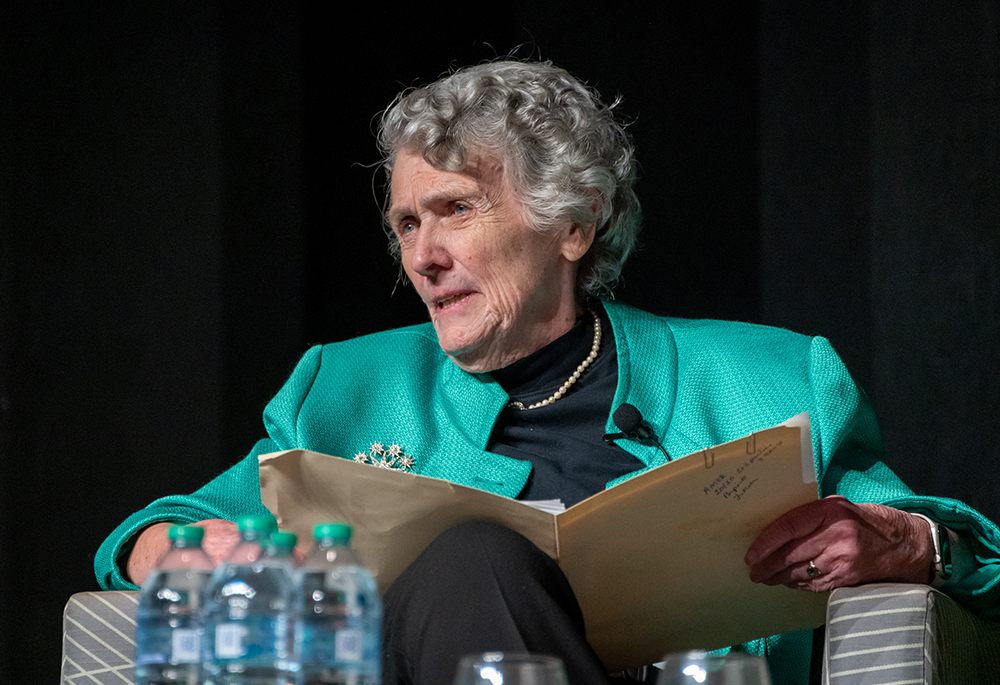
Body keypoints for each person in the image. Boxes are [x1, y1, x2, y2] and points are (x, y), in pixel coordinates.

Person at [96, 60, 1000, 684]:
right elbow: (168, 526)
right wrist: (165, 549)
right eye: (406, 224)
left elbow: (971, 554)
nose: (424, 255)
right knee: (472, 561)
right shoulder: (341, 390)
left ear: (574, 223)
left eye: (455, 210)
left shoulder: (770, 379)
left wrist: (912, 542)